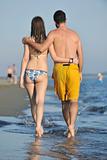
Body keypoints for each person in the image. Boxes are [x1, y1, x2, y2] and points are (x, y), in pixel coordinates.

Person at [22, 10, 83, 138]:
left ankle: (43, 126)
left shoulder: (47, 36)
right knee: (70, 100)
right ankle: (70, 126)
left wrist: (27, 41)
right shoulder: (71, 36)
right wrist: (79, 69)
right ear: (65, 19)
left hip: (44, 69)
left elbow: (32, 54)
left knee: (56, 102)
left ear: (55, 22)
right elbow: (78, 56)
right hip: (59, 70)